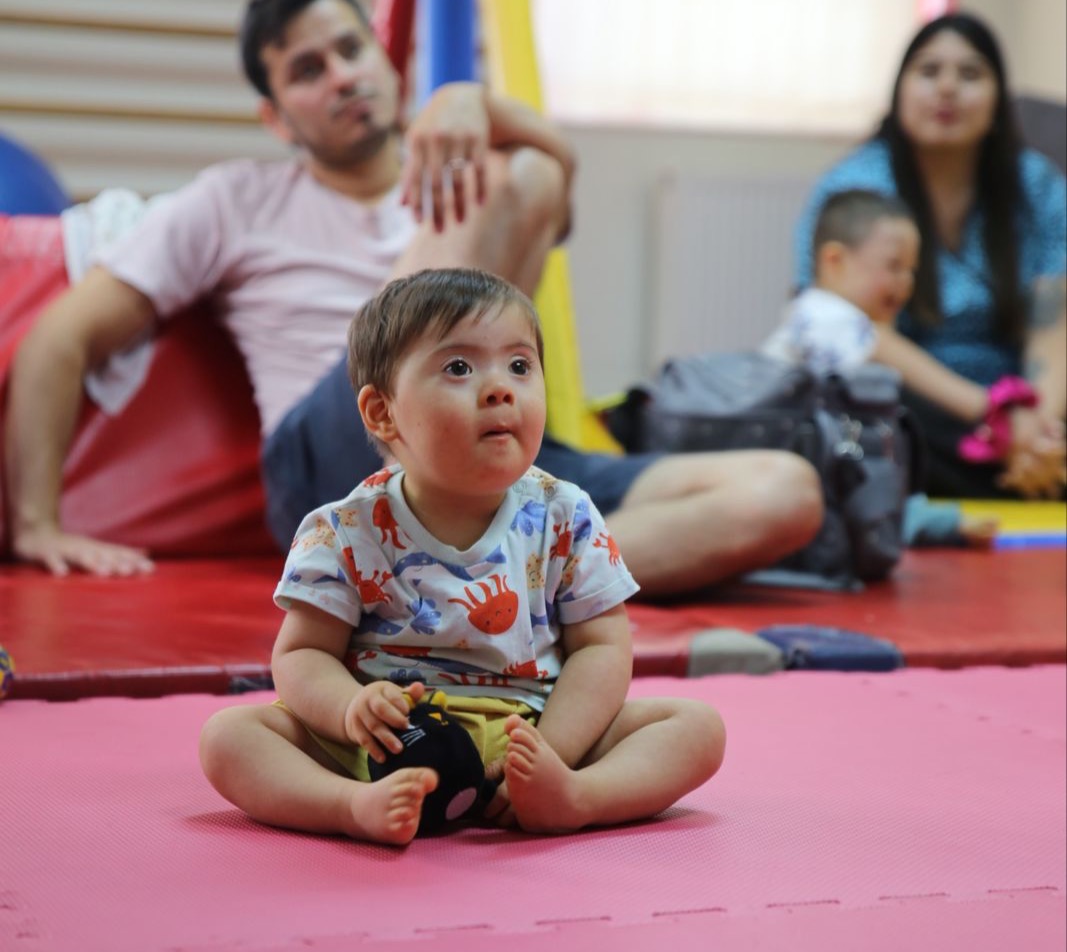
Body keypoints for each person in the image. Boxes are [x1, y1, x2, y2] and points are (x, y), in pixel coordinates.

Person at [3, 0, 823, 597]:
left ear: (382, 58)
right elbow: (60, 337)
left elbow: (555, 185)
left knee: (783, 492)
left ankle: (479, 588)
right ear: (276, 116)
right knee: (518, 171)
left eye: (349, 49)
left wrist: (473, 100)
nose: (342, 78)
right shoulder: (233, 200)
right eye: (307, 71)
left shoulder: (465, 165)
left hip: (494, 447)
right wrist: (34, 523)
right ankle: (432, 545)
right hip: (343, 453)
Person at [198, 268, 727, 843]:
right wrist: (352, 709)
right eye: (459, 367)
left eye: (520, 366)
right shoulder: (343, 530)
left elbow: (602, 648)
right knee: (229, 736)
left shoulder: (563, 515)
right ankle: (351, 806)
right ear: (382, 413)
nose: (501, 388)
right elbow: (301, 654)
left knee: (696, 727)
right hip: (386, 740)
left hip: (527, 733)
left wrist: (553, 750)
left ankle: (576, 800)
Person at [793, 12, 1066, 500]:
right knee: (875, 423)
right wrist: (994, 414)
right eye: (928, 72)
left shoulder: (1037, 184)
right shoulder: (856, 189)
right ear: (900, 90)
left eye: (970, 74)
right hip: (917, 393)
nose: (947, 90)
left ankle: (1035, 463)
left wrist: (1038, 424)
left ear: (999, 101)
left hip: (1018, 397)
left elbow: (1056, 312)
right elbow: (856, 331)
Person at [765, 187, 997, 544]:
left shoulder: (815, 311)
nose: (905, 283)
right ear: (834, 262)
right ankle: (899, 517)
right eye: (893, 266)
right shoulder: (833, 320)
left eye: (911, 270)